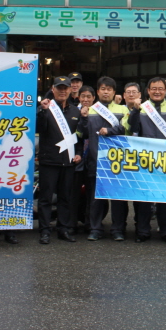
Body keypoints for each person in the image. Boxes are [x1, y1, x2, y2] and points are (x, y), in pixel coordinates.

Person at [127, 77, 166, 243]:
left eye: (160, 89)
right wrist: (135, 110)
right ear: (148, 91)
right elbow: (131, 128)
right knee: (144, 198)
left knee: (165, 197)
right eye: (154, 89)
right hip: (145, 159)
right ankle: (142, 231)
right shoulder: (141, 107)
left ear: (165, 90)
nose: (157, 92)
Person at [36, 76, 84, 244]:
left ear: (70, 89)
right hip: (49, 161)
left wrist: (79, 153)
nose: (62, 91)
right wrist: (42, 111)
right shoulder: (46, 108)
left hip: (68, 162)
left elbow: (79, 136)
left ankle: (63, 229)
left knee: (65, 198)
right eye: (59, 88)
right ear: (53, 89)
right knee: (46, 198)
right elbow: (39, 128)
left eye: (65, 88)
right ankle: (44, 230)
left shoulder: (75, 111)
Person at [85, 77, 129, 241]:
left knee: (118, 198)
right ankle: (95, 228)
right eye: (103, 89)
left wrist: (110, 131)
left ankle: (118, 229)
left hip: (118, 161)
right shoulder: (90, 110)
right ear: (97, 92)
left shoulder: (123, 109)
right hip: (95, 160)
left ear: (114, 92)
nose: (106, 92)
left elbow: (126, 128)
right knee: (96, 199)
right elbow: (82, 133)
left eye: (109, 89)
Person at [70, 85, 96, 234]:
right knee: (73, 193)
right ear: (79, 97)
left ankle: (90, 224)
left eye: (89, 97)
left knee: (92, 194)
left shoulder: (98, 112)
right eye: (83, 96)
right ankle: (71, 224)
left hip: (93, 158)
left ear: (94, 98)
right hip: (76, 157)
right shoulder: (73, 111)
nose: (86, 99)